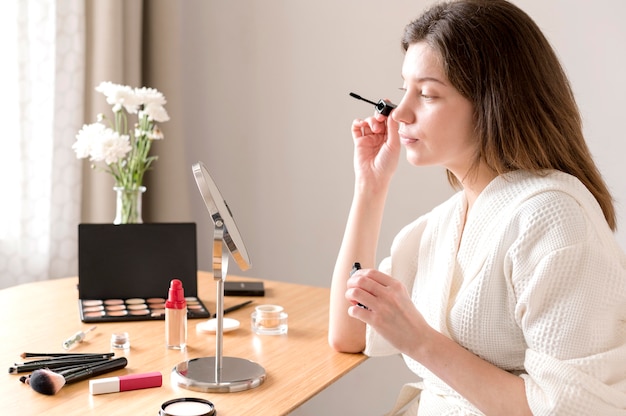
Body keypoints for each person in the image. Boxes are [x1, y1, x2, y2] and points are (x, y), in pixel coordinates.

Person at [328, 0, 626, 414]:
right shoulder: (443, 224)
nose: (401, 115)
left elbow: (572, 409)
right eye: (404, 91)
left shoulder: (555, 221)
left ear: (493, 103)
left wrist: (419, 340)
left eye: (428, 94)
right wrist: (370, 188)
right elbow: (348, 334)